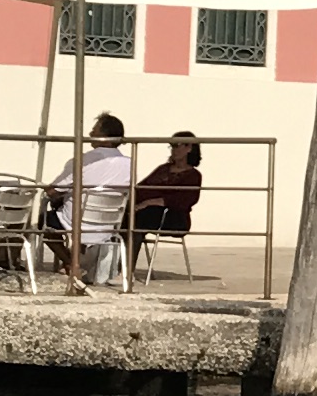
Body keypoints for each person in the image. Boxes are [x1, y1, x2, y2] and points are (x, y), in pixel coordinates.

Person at [48, 114, 136, 278]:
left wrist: (51, 192)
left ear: (106, 137)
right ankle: (78, 260)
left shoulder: (85, 160)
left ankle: (70, 263)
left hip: (76, 221)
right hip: (108, 224)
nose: (90, 133)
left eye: (95, 131)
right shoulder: (130, 163)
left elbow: (54, 190)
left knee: (40, 222)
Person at [132, 130, 204, 267]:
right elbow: (142, 188)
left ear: (189, 148)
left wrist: (151, 202)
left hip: (174, 218)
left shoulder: (193, 175)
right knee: (125, 218)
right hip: (149, 212)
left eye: (176, 145)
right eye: (171, 146)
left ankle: (125, 269)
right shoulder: (163, 169)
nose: (173, 149)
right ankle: (113, 266)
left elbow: (185, 200)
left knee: (136, 220)